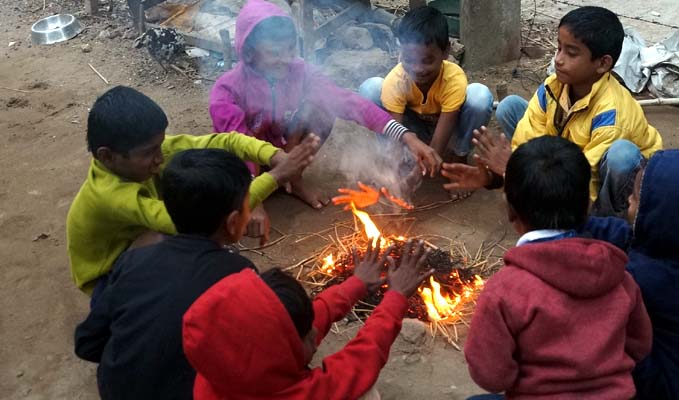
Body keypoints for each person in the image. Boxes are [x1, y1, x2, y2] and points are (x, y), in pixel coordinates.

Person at [66, 86, 316, 302]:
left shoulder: (145, 152)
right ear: (107, 156)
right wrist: (275, 177)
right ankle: (138, 303)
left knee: (195, 238)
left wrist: (273, 156)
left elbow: (226, 142)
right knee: (189, 242)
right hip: (105, 280)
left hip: (136, 243)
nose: (160, 158)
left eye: (160, 146)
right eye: (149, 153)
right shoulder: (109, 195)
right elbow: (193, 223)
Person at [464, 136, 652, 399]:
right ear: (587, 206)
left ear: (510, 212)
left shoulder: (504, 290)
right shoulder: (618, 273)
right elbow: (640, 345)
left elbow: (492, 376)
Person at [74, 149, 267, 400]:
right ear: (232, 223)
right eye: (246, 206)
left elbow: (87, 343)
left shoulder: (132, 260)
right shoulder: (239, 274)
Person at [209, 0, 440, 208]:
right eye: (275, 53)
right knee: (231, 155)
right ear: (248, 53)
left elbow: (348, 102)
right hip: (244, 167)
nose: (287, 59)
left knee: (322, 110)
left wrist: (407, 137)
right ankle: (259, 188)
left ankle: (293, 179)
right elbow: (240, 143)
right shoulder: (227, 90)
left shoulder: (298, 70)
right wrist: (253, 201)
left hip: (283, 155)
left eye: (291, 49)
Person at [442, 6, 662, 217]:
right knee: (510, 107)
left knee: (621, 156)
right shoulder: (552, 86)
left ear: (603, 63)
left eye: (571, 53)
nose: (558, 59)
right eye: (559, 48)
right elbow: (527, 137)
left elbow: (587, 177)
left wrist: (514, 173)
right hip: (571, 152)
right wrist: (505, 175)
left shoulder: (612, 114)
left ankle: (604, 221)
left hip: (617, 176)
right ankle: (545, 193)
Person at [182, 240, 434, 399]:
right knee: (366, 393)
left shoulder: (220, 367)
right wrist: (396, 297)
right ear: (277, 355)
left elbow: (286, 322)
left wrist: (354, 286)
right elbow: (361, 359)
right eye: (306, 336)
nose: (316, 335)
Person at [584, 149, 679, 399]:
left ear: (657, 214)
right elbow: (624, 232)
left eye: (633, 198)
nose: (628, 202)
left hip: (663, 384)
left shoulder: (645, 276)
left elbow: (579, 285)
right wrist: (580, 222)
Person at [358, 6, 494, 166]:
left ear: (445, 51)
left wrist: (427, 164)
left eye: (427, 60)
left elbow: (439, 141)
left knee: (480, 96)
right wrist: (394, 174)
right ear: (400, 52)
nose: (418, 69)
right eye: (409, 60)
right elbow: (394, 127)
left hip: (447, 132)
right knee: (370, 89)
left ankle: (459, 157)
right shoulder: (396, 80)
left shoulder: (452, 78)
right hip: (413, 132)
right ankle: (393, 159)